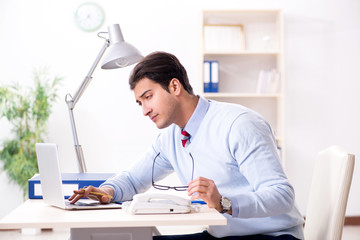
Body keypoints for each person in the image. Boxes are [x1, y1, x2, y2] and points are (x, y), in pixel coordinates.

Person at [69, 51, 304, 240]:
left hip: (273, 236)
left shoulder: (239, 124)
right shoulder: (171, 138)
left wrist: (224, 203)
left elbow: (282, 195)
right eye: (139, 103)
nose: (144, 111)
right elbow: (132, 179)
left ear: (174, 86)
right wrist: (106, 191)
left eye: (148, 97)